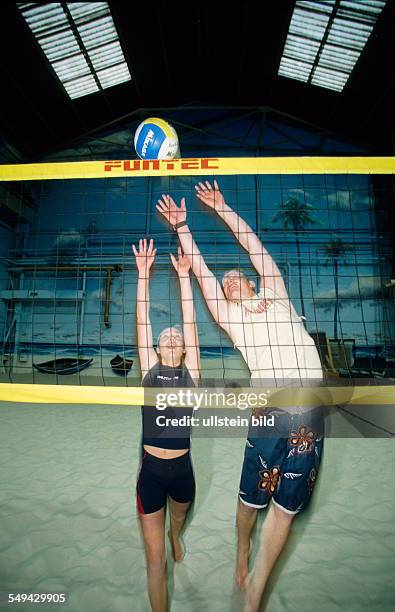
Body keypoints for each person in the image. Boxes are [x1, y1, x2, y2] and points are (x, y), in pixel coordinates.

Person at [156, 182, 324, 612]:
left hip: (310, 410)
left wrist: (224, 208)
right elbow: (201, 273)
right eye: (225, 281)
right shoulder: (231, 318)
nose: (228, 280)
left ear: (250, 282)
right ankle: (241, 550)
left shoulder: (276, 293)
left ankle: (255, 594)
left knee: (286, 509)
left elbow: (253, 246)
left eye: (234, 276)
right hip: (269, 410)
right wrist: (182, 228)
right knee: (251, 499)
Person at [132, 238, 200, 612]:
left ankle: (178, 535)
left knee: (180, 519)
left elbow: (190, 321)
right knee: (155, 564)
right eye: (164, 336)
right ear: (157, 349)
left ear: (185, 348)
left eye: (177, 336)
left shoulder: (194, 374)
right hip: (152, 474)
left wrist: (184, 277)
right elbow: (143, 321)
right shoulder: (149, 372)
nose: (172, 334)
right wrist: (144, 275)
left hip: (184, 471)